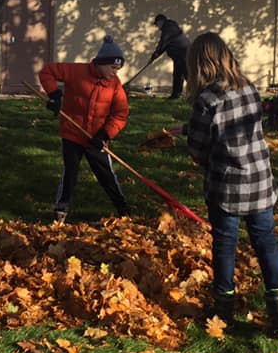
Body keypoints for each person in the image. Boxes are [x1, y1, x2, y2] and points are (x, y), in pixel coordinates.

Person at [183, 31, 278, 336]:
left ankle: (224, 313)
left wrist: (195, 149)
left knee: (225, 246)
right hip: (259, 183)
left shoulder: (207, 100)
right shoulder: (249, 88)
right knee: (266, 243)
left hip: (227, 189)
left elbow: (198, 147)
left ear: (198, 64)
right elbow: (238, 128)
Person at [38, 34, 130, 223]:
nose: (115, 72)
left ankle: (123, 210)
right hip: (72, 133)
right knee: (70, 171)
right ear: (100, 63)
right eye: (113, 67)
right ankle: (61, 210)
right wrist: (54, 95)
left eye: (118, 69)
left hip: (96, 138)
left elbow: (121, 114)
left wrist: (105, 134)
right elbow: (47, 71)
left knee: (106, 174)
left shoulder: (114, 84)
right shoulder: (76, 71)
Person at [149, 14, 190, 99]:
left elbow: (163, 43)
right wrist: (155, 55)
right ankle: (176, 95)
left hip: (183, 54)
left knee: (186, 75)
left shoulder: (168, 28)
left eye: (157, 24)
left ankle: (196, 94)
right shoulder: (170, 27)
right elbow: (165, 45)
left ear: (161, 21)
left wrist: (155, 55)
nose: (157, 27)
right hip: (180, 55)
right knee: (178, 75)